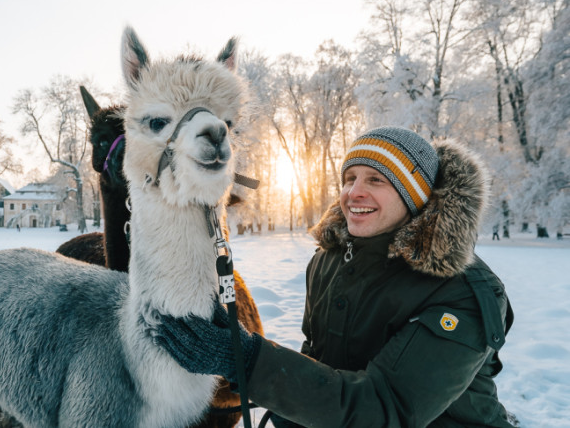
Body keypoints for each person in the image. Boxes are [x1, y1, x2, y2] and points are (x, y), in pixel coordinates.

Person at [155, 127, 515, 427]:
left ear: (415, 196)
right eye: (349, 178)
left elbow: (386, 409)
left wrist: (248, 360)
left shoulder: (463, 292)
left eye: (376, 179)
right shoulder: (328, 262)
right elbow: (319, 361)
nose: (353, 192)